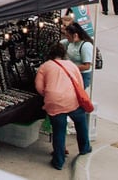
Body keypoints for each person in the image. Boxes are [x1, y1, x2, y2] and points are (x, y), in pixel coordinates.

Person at [35, 42, 91, 170]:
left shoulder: (45, 66)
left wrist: (50, 94)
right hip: (73, 100)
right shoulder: (71, 65)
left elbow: (39, 88)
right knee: (81, 123)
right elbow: (80, 84)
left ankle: (58, 161)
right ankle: (84, 148)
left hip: (54, 101)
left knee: (59, 131)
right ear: (63, 54)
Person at [61, 21, 96, 89]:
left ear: (75, 35)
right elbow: (60, 44)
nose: (66, 38)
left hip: (82, 75)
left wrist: (69, 67)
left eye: (68, 36)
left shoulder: (86, 46)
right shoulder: (70, 42)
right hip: (72, 73)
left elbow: (87, 66)